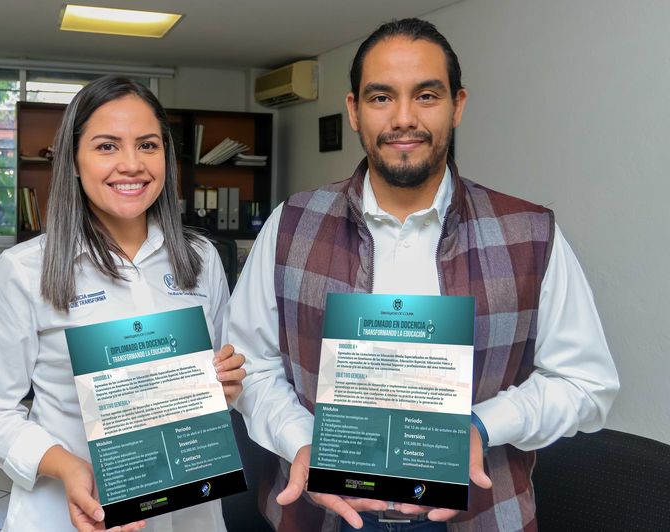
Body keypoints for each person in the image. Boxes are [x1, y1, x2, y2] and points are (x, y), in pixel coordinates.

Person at [226, 18, 618, 532]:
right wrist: (302, 441)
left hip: (479, 514)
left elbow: (585, 384)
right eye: (381, 97)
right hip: (321, 514)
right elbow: (250, 367)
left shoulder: (530, 234)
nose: (404, 118)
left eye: (426, 95)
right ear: (354, 111)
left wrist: (482, 426)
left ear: (457, 106)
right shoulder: (291, 225)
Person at [0, 76, 246, 532]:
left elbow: (220, 386)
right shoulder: (24, 269)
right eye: (107, 147)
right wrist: (67, 467)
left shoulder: (202, 259)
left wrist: (226, 387)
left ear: (167, 158)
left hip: (190, 510)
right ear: (74, 160)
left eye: (148, 145)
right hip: (71, 512)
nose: (131, 165)